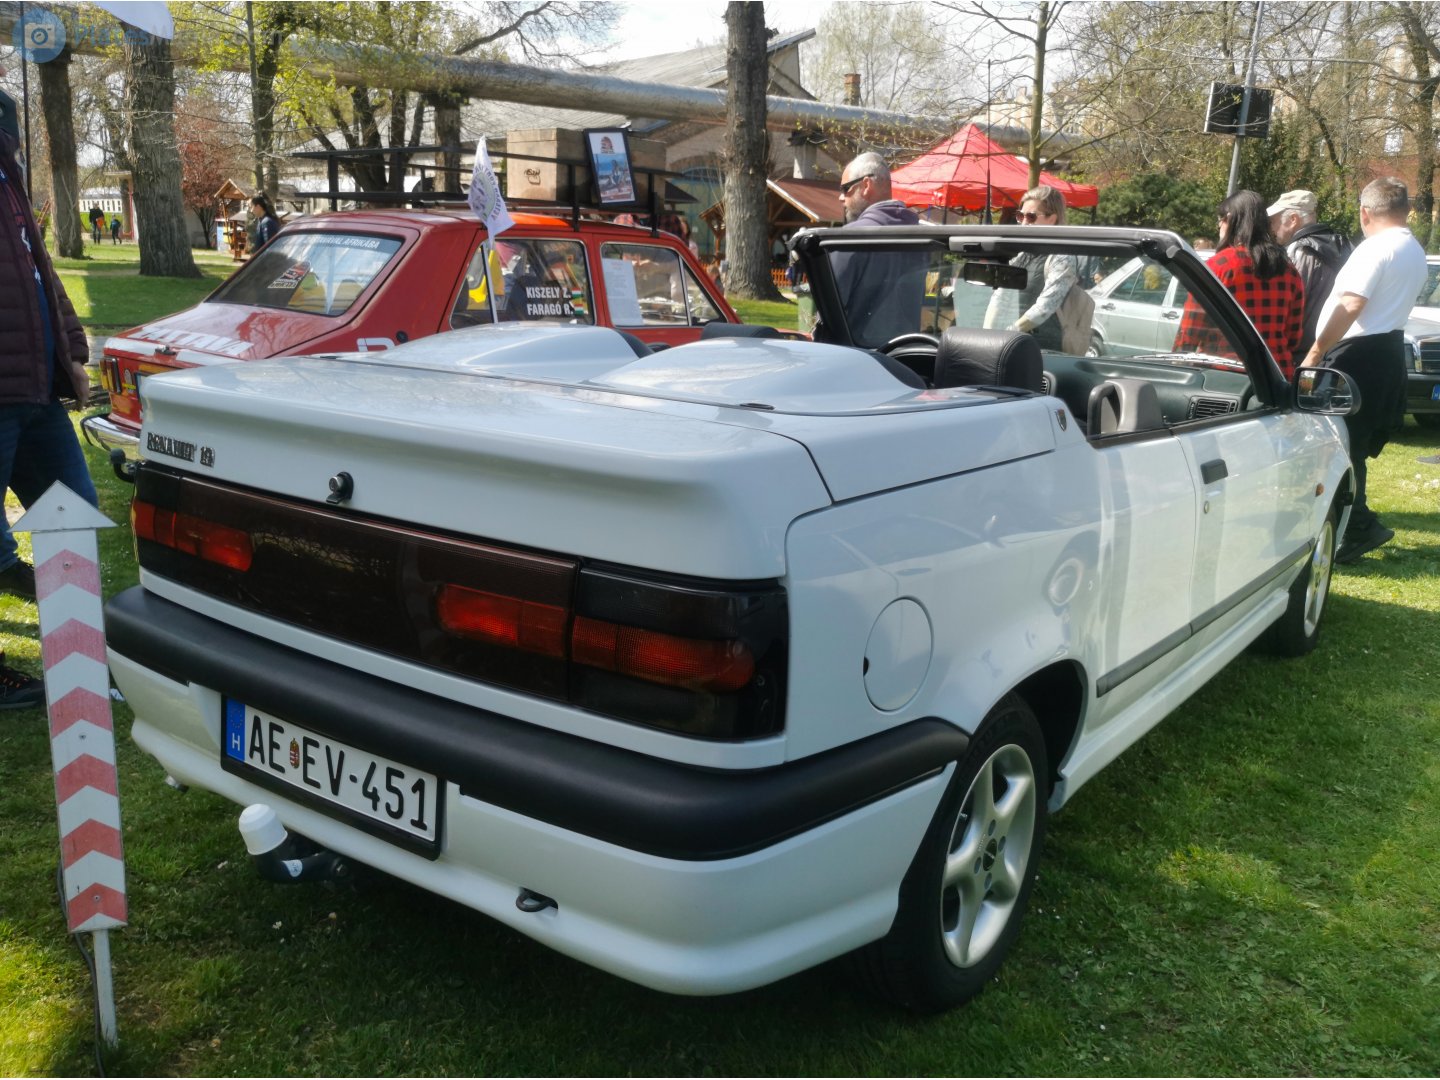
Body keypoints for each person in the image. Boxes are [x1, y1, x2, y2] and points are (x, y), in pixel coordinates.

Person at [0, 128, 101, 707]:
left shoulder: (7, 176)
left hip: (38, 395)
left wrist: (74, 350)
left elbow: (41, 271)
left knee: (73, 521)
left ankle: (80, 662)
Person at [1301, 176, 1427, 563]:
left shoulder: (1377, 249)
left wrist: (1316, 352)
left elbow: (1352, 304)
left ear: (1365, 212)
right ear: (1405, 211)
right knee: (1350, 445)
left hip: (1356, 355)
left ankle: (1358, 526)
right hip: (1385, 352)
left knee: (1339, 445)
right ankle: (1355, 528)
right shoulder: (1414, 249)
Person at [1174, 190, 1305, 377]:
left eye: (1220, 219)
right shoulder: (1290, 271)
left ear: (1230, 219)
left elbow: (1191, 330)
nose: (1219, 226)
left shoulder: (1218, 266)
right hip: (1276, 377)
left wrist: (1176, 365)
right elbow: (1294, 337)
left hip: (1224, 375)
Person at [830, 151, 922, 342]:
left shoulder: (849, 239)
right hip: (906, 357)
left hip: (856, 358)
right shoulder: (922, 238)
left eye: (845, 188)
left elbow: (830, 311)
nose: (841, 198)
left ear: (866, 185)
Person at [1268, 189, 1354, 355]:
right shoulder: (1345, 245)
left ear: (1293, 219)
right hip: (1334, 349)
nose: (1272, 228)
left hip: (1299, 351)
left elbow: (1289, 302)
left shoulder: (1299, 250)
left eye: (1275, 221)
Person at [996, 185, 1080, 350]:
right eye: (1020, 216)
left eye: (1031, 217)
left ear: (1052, 218)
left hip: (1043, 351)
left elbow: (1044, 307)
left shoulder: (1062, 256)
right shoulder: (1023, 255)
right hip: (1010, 344)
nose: (1024, 223)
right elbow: (1000, 296)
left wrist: (1009, 332)